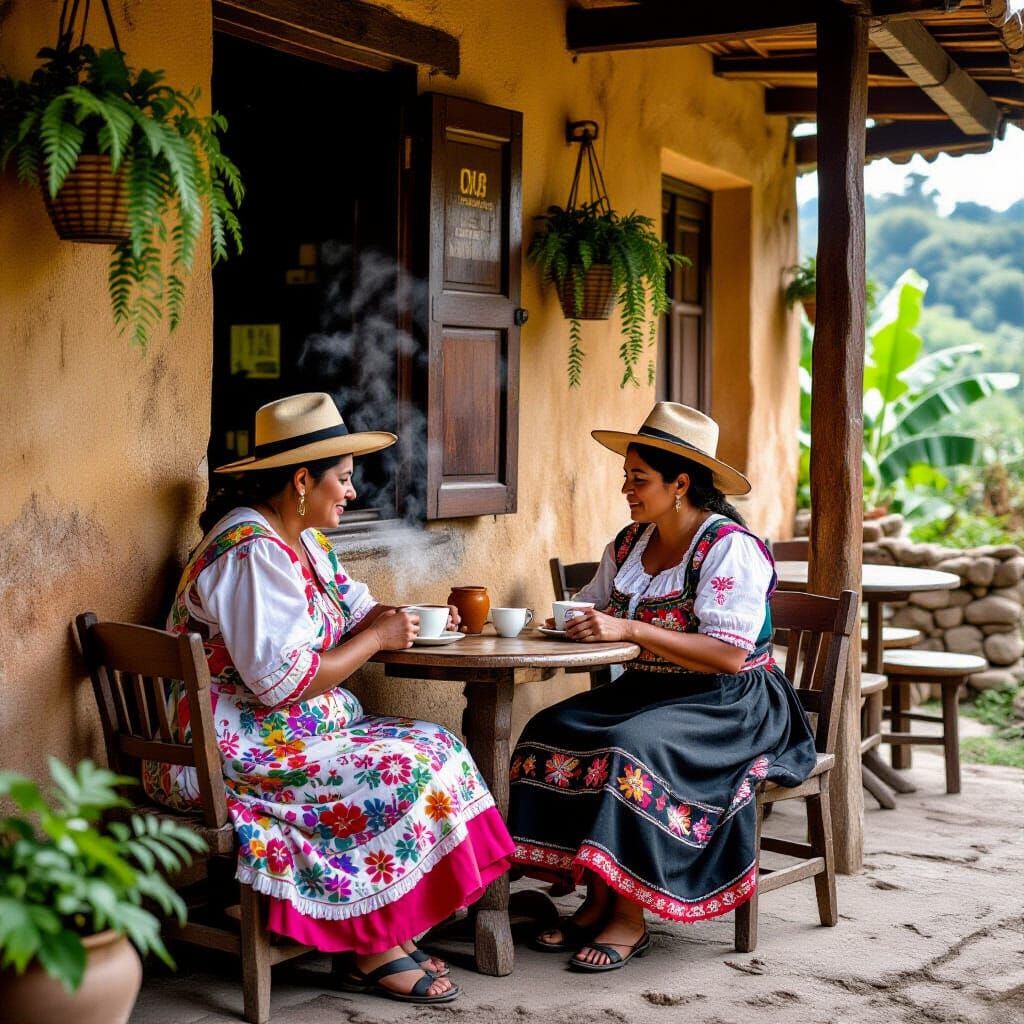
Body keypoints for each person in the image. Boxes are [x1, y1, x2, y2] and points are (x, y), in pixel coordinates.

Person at [144, 393, 514, 1004]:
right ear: (300, 481)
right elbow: (281, 682)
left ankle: (385, 930)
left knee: (437, 744)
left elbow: (354, 607)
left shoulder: (304, 541)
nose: (351, 491)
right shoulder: (251, 552)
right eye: (342, 479)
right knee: (399, 769)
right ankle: (370, 947)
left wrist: (401, 615)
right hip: (222, 751)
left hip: (281, 732)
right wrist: (375, 640)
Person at [507, 402, 817, 972]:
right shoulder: (628, 545)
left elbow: (727, 655)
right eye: (626, 475)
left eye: (639, 478)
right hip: (647, 690)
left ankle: (629, 916)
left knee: (630, 748)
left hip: (731, 702)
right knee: (548, 729)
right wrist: (574, 624)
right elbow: (598, 609)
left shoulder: (728, 547)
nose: (625, 488)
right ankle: (597, 897)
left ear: (680, 484)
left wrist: (628, 629)